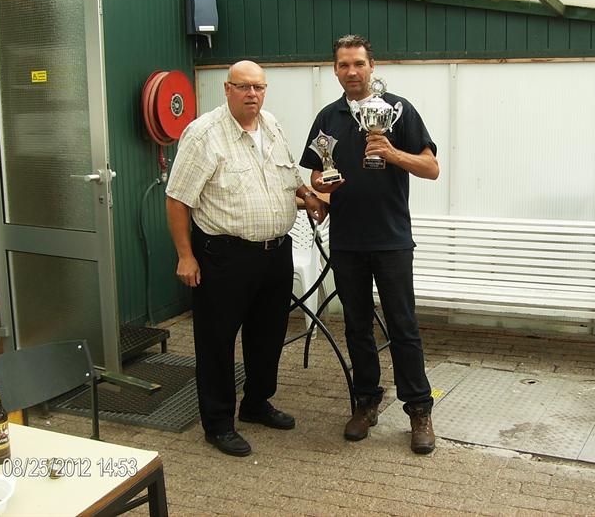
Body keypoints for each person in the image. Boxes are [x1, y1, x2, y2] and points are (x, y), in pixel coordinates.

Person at [166, 60, 327, 457]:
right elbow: (177, 198)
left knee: (268, 335)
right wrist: (185, 256)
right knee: (217, 342)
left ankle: (256, 403)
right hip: (224, 256)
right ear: (227, 89)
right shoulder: (203, 134)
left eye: (258, 87)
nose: (252, 94)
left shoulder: (271, 125)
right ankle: (218, 424)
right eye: (243, 87)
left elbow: (288, 179)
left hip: (275, 253)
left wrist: (308, 197)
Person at [300, 35, 439, 454]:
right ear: (335, 70)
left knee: (403, 326)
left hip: (392, 239)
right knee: (356, 326)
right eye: (344, 65)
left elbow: (431, 167)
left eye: (359, 63)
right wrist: (322, 188)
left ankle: (419, 410)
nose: (352, 71)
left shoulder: (397, 110)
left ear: (372, 67)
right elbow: (316, 175)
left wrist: (392, 153)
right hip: (347, 241)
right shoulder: (328, 117)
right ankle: (366, 402)